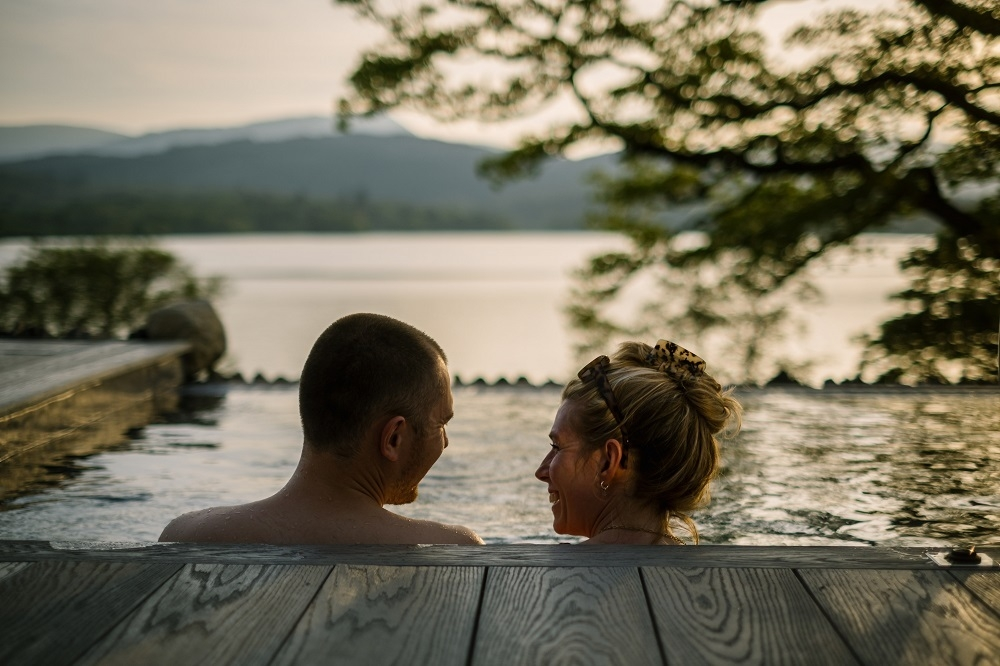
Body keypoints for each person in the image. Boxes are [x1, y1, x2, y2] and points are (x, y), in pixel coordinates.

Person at [159, 313, 483, 545]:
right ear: (394, 438)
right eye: (441, 424)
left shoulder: (186, 535)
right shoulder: (449, 547)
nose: (445, 442)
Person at [536, 339, 742, 544]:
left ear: (609, 461)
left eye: (557, 447)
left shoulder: (554, 572)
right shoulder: (705, 570)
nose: (541, 472)